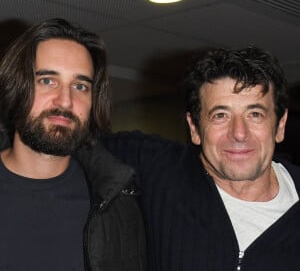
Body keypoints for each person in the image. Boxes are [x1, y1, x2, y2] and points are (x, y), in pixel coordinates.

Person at [76, 46, 300, 270]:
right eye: (220, 115)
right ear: (194, 127)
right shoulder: (157, 167)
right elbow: (71, 142)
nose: (239, 133)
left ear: (280, 125)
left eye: (255, 114)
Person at [0, 18, 146, 270]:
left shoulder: (116, 206)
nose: (66, 101)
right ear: (17, 87)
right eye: (47, 80)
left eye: (80, 86)